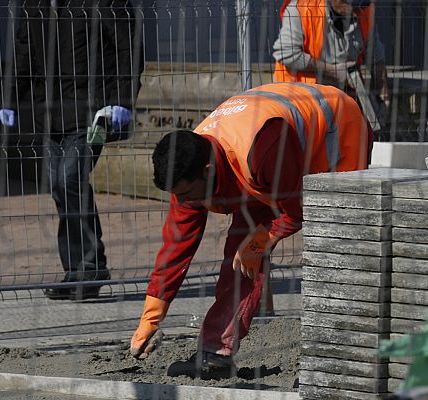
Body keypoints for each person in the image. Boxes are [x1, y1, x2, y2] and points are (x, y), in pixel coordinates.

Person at [129, 82, 372, 371]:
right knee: (241, 258)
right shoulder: (190, 170)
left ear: (207, 172)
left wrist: (261, 241)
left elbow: (296, 210)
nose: (181, 201)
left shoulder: (263, 146)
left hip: (338, 128)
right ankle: (215, 353)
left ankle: (344, 346)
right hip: (267, 163)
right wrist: (150, 319)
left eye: (185, 194)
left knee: (337, 233)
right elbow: (176, 248)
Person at [0, 0, 143, 300]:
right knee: (59, 189)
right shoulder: (34, 5)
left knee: (71, 179)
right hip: (50, 113)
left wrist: (122, 99)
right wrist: (9, 99)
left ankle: (90, 267)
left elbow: (128, 48)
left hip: (96, 112)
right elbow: (23, 52)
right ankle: (76, 270)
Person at [272, 0, 390, 131]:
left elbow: (376, 58)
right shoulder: (300, 9)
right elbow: (286, 54)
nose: (356, 8)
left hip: (341, 100)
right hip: (298, 100)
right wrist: (333, 71)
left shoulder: (363, 10)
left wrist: (383, 96)